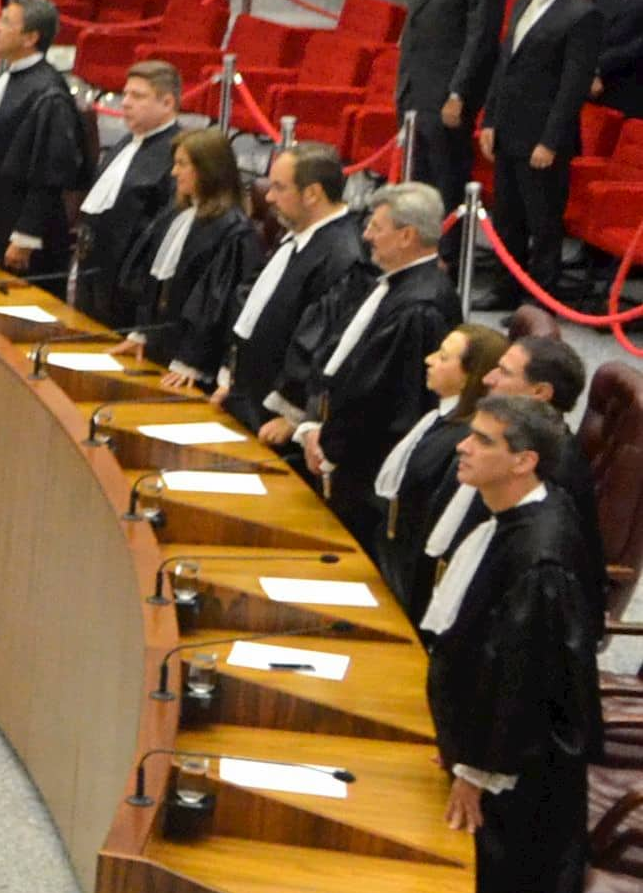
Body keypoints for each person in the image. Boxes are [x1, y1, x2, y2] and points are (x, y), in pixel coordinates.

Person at [427, 392, 604, 893]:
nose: (463, 446)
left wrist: (477, 771)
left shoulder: (539, 561)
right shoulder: (527, 514)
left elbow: (523, 679)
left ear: (524, 462)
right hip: (482, 747)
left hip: (514, 778)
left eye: (483, 440)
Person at [268, 182, 456, 538]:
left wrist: (329, 446)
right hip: (330, 443)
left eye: (376, 227)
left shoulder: (420, 308)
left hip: (362, 476)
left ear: (407, 236)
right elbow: (335, 355)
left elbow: (387, 402)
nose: (366, 235)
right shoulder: (393, 285)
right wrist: (309, 425)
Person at [207, 141, 368, 423]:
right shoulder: (298, 235)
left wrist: (290, 415)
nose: (268, 197)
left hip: (276, 417)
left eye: (279, 187)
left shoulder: (343, 258)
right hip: (247, 397)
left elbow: (319, 346)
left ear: (312, 194)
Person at [373, 322, 517, 616]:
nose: (429, 360)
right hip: (392, 562)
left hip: (412, 584)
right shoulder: (439, 419)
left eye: (443, 356)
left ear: (469, 377)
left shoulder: (461, 441)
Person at [489, 0, 596, 299]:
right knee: (507, 217)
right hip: (508, 128)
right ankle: (506, 288)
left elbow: (573, 87)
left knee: (543, 222)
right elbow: (505, 65)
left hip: (544, 136)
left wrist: (550, 140)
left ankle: (541, 296)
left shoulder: (582, 14)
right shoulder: (522, 2)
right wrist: (490, 120)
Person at [0, 0, 92, 271]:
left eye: (6, 22)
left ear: (30, 38)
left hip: (17, 232)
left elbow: (48, 173)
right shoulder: (10, 77)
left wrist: (25, 237)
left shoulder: (48, 93)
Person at [402, 0, 507, 207]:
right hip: (414, 83)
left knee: (445, 172)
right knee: (415, 171)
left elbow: (481, 35)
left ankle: (447, 250)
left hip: (448, 88)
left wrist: (458, 92)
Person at [61, 60, 188, 326]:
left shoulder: (178, 155)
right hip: (92, 272)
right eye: (125, 94)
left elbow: (166, 226)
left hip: (128, 288)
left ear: (167, 103)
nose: (125, 103)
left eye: (138, 96)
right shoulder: (124, 143)